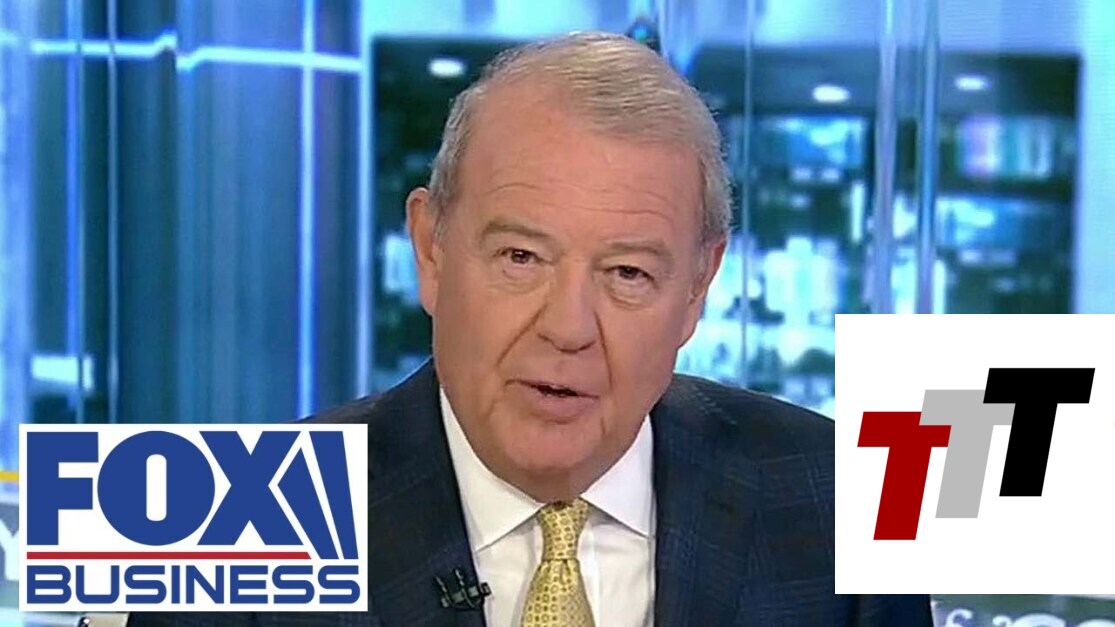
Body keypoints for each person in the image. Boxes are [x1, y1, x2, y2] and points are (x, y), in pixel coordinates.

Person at [126, 31, 932, 627]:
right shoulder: (233, 531)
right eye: (520, 257)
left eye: (627, 273)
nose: (568, 327)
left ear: (697, 287)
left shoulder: (839, 502)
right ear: (431, 251)